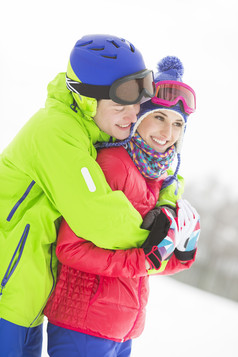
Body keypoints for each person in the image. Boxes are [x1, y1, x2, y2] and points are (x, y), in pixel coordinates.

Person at [0, 34, 157, 357]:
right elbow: (95, 214)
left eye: (139, 101)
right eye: (120, 104)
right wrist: (154, 240)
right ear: (87, 100)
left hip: (24, 290)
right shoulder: (57, 131)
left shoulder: (88, 131)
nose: (133, 114)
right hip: (7, 287)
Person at [44, 56, 200, 357]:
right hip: (84, 326)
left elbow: (146, 261)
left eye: (178, 123)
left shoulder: (157, 181)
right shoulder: (113, 165)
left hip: (122, 329)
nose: (167, 133)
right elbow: (70, 249)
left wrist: (181, 253)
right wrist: (142, 260)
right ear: (139, 117)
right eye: (159, 118)